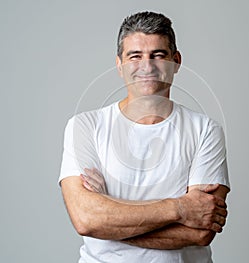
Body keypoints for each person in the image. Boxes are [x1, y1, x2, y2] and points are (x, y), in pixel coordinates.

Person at [59, 11, 230, 263]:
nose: (147, 66)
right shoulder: (85, 127)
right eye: (135, 56)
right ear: (119, 65)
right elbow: (85, 219)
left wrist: (108, 220)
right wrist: (181, 208)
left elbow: (201, 232)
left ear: (176, 61)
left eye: (158, 55)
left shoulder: (205, 130)